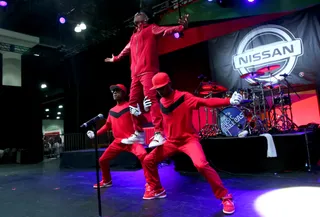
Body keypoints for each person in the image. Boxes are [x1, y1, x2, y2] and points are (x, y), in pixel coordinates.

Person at [142, 73, 242, 215]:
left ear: (169, 84)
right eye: (157, 89)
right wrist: (146, 110)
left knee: (201, 164)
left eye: (162, 88)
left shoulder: (184, 97)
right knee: (148, 160)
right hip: (170, 142)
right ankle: (157, 189)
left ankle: (225, 197)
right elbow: (156, 119)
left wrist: (229, 101)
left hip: (188, 140)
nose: (159, 91)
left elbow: (205, 102)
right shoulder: (160, 102)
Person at [104, 12, 189, 148]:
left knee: (150, 100)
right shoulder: (133, 37)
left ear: (146, 18)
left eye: (141, 13)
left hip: (148, 71)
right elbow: (126, 49)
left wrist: (180, 28)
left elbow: (165, 30)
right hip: (135, 74)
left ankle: (159, 133)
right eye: (136, 13)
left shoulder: (151, 28)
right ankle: (139, 133)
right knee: (132, 103)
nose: (138, 13)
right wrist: (116, 58)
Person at [86, 84, 151, 188]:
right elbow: (107, 126)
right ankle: (107, 181)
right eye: (113, 91)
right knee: (102, 160)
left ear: (124, 93)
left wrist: (139, 114)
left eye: (117, 90)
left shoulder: (131, 106)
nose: (114, 92)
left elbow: (144, 121)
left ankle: (150, 183)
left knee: (144, 156)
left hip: (131, 140)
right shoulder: (111, 111)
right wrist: (95, 134)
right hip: (117, 142)